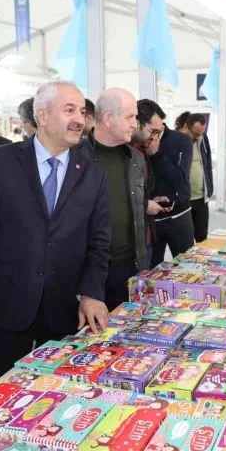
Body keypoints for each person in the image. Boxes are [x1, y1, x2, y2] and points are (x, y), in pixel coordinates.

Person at [0, 81, 111, 381]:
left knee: (58, 392)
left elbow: (100, 241)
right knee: (0, 390)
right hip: (5, 308)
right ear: (42, 116)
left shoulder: (93, 173)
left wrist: (92, 292)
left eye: (82, 112)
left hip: (65, 309)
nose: (79, 119)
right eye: (69, 110)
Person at [75, 88, 147, 309]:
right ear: (108, 118)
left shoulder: (136, 159)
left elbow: (140, 210)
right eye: (130, 117)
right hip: (86, 274)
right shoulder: (75, 159)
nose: (135, 123)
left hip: (130, 268)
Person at [138, 99, 194, 267]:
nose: (155, 134)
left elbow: (180, 179)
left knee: (186, 266)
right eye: (152, 130)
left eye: (158, 129)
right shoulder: (136, 143)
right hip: (150, 220)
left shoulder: (182, 140)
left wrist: (156, 155)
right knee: (151, 270)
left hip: (179, 216)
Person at [131, 114, 167, 268]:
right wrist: (145, 205)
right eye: (153, 131)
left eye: (159, 133)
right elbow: (120, 195)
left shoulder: (144, 151)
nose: (155, 138)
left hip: (146, 234)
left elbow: (142, 189)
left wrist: (152, 200)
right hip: (131, 241)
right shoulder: (126, 152)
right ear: (138, 124)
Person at [185, 113, 214, 243]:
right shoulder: (179, 142)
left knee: (202, 237)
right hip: (186, 199)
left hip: (202, 198)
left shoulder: (203, 139)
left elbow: (208, 164)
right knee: (186, 239)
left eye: (201, 134)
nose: (198, 137)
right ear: (186, 128)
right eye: (195, 134)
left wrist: (210, 188)